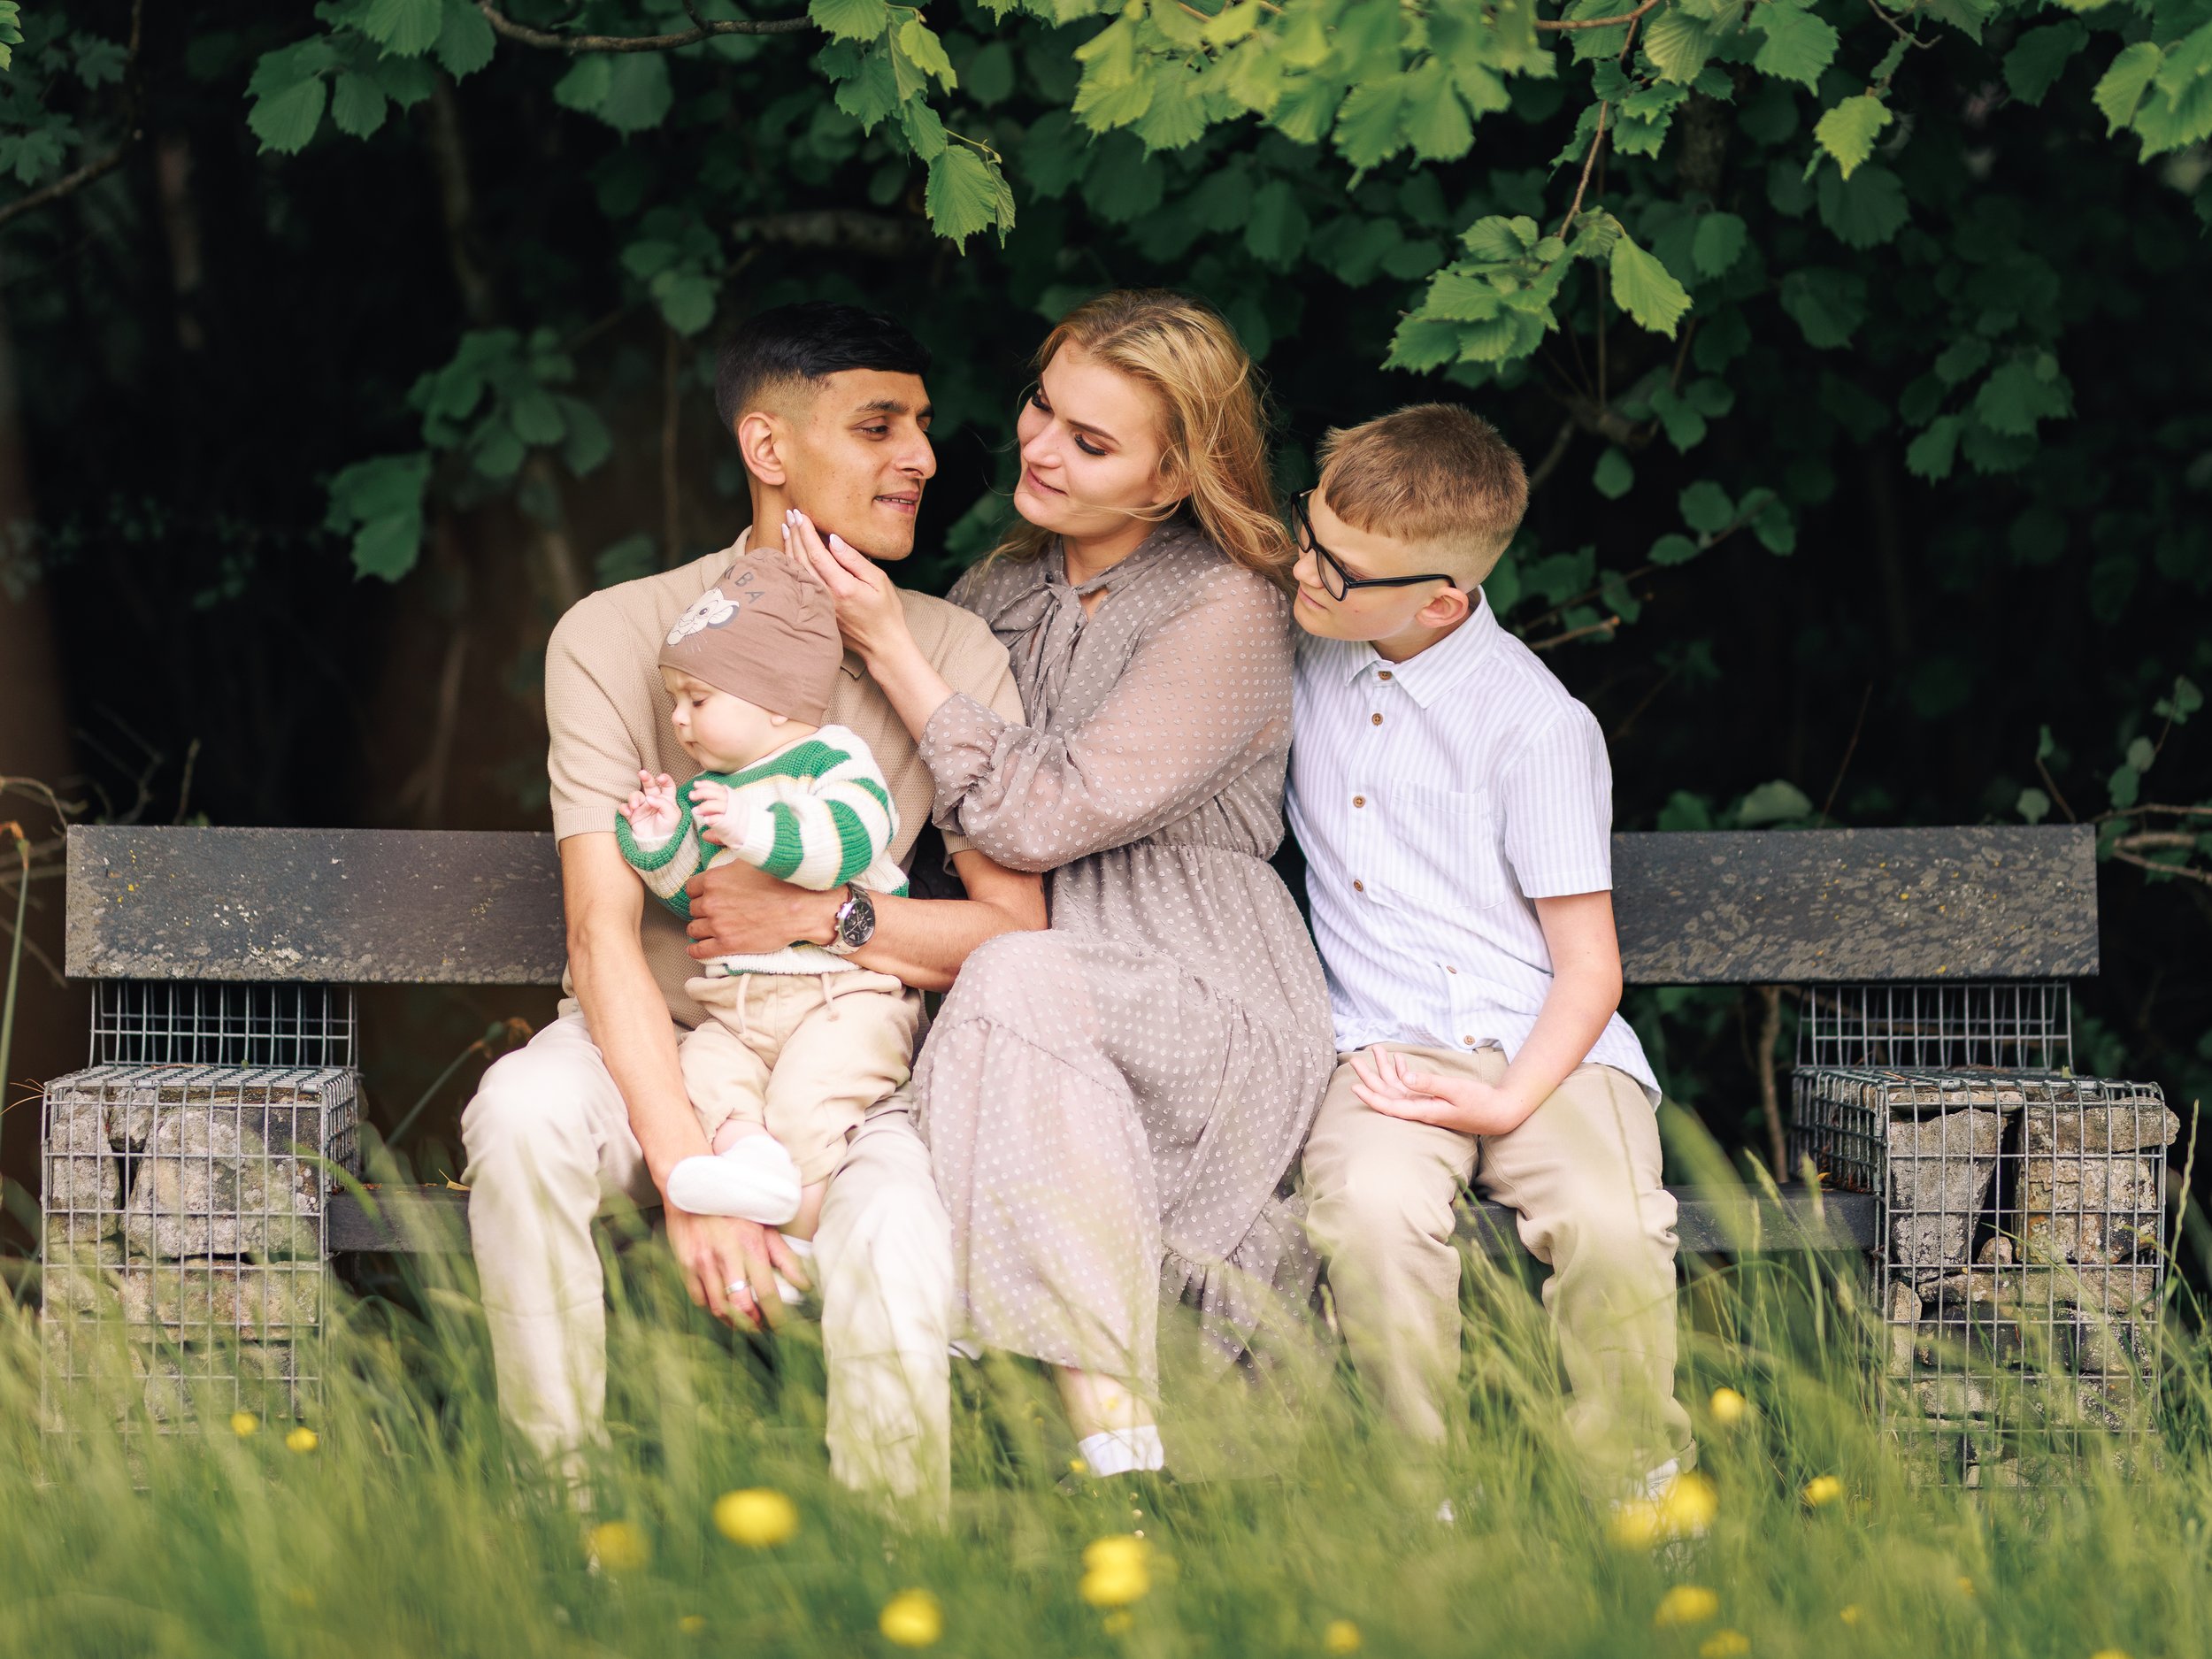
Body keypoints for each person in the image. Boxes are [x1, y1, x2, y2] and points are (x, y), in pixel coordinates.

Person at [459, 303, 1044, 1517]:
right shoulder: (621, 633)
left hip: (858, 1052)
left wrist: (827, 919)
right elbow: (601, 935)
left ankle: (891, 1568)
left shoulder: (948, 648)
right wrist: (689, 1170)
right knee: (521, 1113)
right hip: (666, 1047)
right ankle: (560, 1521)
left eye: (924, 426)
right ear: (768, 448)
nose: (922, 458)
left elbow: (1012, 933)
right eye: (878, 425)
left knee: (894, 1220)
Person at [791, 290, 1333, 1480]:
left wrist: (888, 644)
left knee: (1018, 969)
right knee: (1003, 992)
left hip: (1199, 990)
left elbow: (1041, 814)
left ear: (1167, 477)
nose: (1038, 444)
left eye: (1091, 442)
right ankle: (1120, 1457)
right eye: (1045, 405)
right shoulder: (1001, 590)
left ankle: (1105, 1444)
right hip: (1021, 988)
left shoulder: (1227, 607)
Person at [1283, 403, 1694, 1503]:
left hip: (1546, 1045)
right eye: (1308, 533)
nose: (1303, 573)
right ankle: (1420, 1502)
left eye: (1339, 568)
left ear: (1441, 601)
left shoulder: (1535, 726)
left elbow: (1588, 968)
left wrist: (1510, 1102)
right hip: (1378, 1040)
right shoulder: (1312, 642)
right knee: (1368, 1214)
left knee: (1611, 1227)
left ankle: (1639, 1491)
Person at [613, 554, 919, 1262]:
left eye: (698, 698)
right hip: (740, 1011)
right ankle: (752, 1163)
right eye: (675, 702)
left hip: (844, 998)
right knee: (704, 1077)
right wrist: (659, 838)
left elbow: (845, 843)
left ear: (777, 698)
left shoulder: (831, 760)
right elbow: (694, 891)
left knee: (805, 1108)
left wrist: (751, 827)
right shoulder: (710, 789)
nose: (680, 721)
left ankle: (799, 1248)